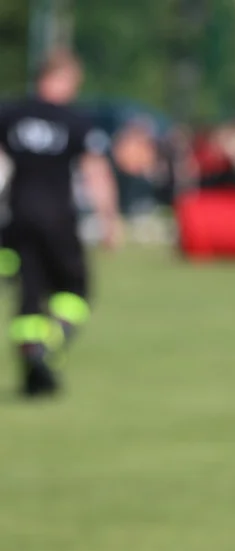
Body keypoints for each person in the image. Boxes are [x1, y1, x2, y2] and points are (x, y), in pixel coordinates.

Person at [0, 49, 119, 397]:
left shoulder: (11, 114)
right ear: (63, 79)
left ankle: (31, 367)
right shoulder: (76, 120)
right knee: (75, 289)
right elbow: (96, 171)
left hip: (18, 216)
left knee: (30, 293)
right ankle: (47, 344)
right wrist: (109, 219)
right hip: (57, 219)